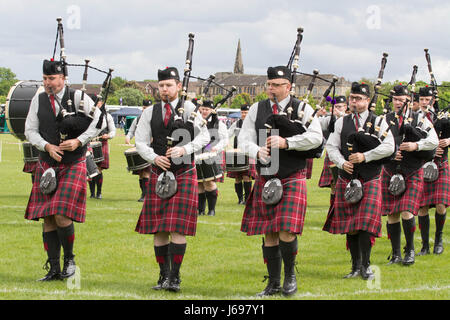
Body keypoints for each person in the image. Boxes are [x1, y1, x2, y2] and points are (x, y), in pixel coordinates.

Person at [239, 66, 323, 296]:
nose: (271, 89)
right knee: (269, 232)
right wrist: (257, 151)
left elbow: (316, 138)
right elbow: (243, 138)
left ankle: (290, 277)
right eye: (269, 84)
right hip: (266, 175)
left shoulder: (303, 108)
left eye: (276, 85)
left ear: (288, 87)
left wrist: (288, 143)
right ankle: (273, 282)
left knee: (287, 229)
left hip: (292, 175)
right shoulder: (258, 108)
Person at [24, 59, 103, 281]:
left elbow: (100, 122)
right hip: (47, 162)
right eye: (45, 79)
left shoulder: (78, 97)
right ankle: (54, 268)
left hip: (73, 162)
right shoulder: (38, 100)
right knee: (48, 217)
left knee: (61, 213)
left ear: (63, 78)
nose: (48, 83)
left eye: (52, 79)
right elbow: (30, 130)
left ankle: (70, 260)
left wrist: (79, 141)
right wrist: (46, 146)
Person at [134, 67, 209, 292]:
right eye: (161, 86)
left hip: (184, 172)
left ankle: (175, 278)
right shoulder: (150, 112)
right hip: (159, 173)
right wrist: (155, 158)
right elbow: (140, 142)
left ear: (179, 86)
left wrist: (185, 149)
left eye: (169, 85)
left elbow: (205, 136)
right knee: (158, 229)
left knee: (177, 228)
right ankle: (162, 276)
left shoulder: (190, 109)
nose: (164, 89)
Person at [324, 82, 395, 280]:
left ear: (367, 101)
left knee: (364, 224)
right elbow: (331, 147)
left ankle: (366, 266)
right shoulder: (342, 122)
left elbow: (390, 146)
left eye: (359, 99)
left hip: (370, 176)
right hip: (347, 177)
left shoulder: (378, 121)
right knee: (351, 225)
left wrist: (366, 156)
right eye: (352, 98)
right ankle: (354, 266)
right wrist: (341, 162)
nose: (354, 102)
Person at [381, 85, 438, 266]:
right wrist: (390, 153)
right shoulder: (384, 120)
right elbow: (375, 143)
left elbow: (433, 142)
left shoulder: (419, 119)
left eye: (402, 100)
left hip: (412, 170)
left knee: (406, 210)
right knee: (392, 213)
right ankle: (396, 253)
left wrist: (416, 146)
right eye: (396, 100)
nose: (399, 103)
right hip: (391, 170)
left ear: (409, 101)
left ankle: (410, 250)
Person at [417, 86, 449, 255]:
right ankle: (424, 245)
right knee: (422, 206)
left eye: (427, 100)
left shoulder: (443, 116)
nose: (424, 102)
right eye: (421, 99)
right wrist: (429, 149)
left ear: (433, 100)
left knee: (440, 203)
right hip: (421, 163)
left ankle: (438, 239)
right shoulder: (414, 118)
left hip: (441, 163)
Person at [196, 100, 228, 216]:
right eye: (203, 109)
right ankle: (200, 210)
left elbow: (224, 140)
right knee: (199, 182)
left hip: (212, 155)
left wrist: (215, 148)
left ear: (212, 110)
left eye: (207, 109)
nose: (204, 111)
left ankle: (211, 210)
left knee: (209, 182)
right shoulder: (197, 121)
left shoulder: (219, 124)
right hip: (197, 155)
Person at [317, 96, 348, 212]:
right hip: (332, 154)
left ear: (345, 107)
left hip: (345, 154)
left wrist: (341, 115)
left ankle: (343, 207)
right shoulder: (330, 119)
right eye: (336, 107)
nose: (338, 109)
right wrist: (317, 115)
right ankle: (333, 210)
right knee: (334, 184)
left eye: (340, 107)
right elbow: (314, 124)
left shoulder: (348, 119)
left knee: (345, 183)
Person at [227, 104, 257, 205]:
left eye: (246, 113)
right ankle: (240, 199)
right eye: (242, 112)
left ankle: (247, 199)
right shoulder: (236, 124)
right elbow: (228, 134)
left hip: (248, 153)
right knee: (238, 177)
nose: (244, 114)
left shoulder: (253, 124)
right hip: (237, 153)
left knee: (247, 176)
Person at [125, 99, 151, 202]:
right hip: (139, 148)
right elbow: (131, 131)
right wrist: (128, 137)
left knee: (146, 172)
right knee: (140, 174)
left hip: (150, 148)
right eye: (144, 108)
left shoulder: (154, 119)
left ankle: (145, 196)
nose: (145, 110)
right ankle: (143, 193)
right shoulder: (137, 119)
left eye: (147, 108)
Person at [88, 110, 116, 199]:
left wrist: (109, 136)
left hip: (102, 143)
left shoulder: (107, 116)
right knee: (90, 168)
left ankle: (98, 193)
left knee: (99, 168)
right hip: (89, 143)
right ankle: (92, 193)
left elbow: (113, 131)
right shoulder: (89, 114)